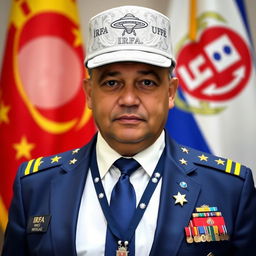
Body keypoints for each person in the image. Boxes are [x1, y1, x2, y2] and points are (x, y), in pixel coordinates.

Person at [2, 5, 256, 256]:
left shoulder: (229, 187)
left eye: (146, 83)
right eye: (112, 83)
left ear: (170, 92)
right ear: (90, 93)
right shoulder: (35, 185)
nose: (129, 99)